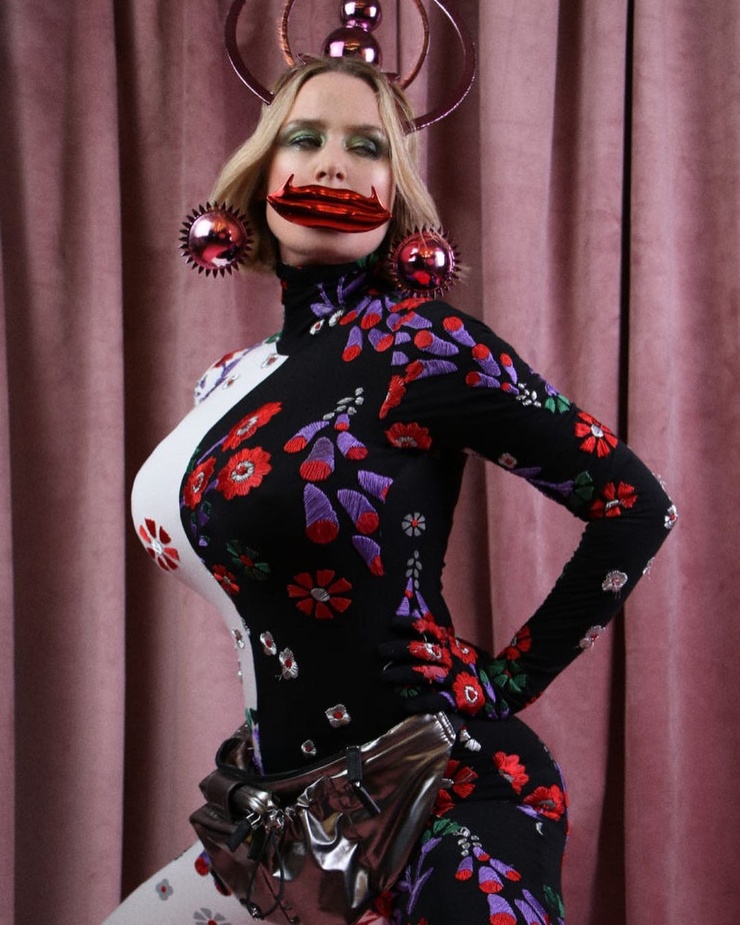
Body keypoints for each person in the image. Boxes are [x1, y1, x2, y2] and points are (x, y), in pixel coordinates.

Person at [110, 54, 676, 925]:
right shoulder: (227, 383)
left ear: (396, 192)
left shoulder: (425, 343)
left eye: (368, 146)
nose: (334, 164)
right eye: (306, 138)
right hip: (283, 827)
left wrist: (504, 680)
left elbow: (637, 504)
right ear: (260, 175)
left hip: (447, 796)